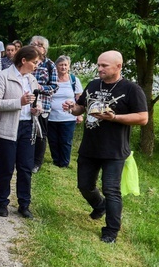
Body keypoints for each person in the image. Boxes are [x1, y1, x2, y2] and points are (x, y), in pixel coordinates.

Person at [63, 51, 148, 243]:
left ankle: (111, 230)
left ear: (118, 67)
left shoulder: (131, 89)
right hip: (90, 147)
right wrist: (71, 107)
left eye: (104, 66)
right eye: (98, 65)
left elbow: (143, 118)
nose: (99, 69)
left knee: (111, 190)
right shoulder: (94, 84)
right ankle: (99, 206)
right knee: (84, 186)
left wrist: (115, 118)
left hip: (115, 150)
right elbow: (80, 107)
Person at [0, 45, 42, 219]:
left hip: (27, 126)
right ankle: (2, 202)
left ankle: (24, 204)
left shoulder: (32, 79)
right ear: (24, 60)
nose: (37, 65)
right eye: (34, 62)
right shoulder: (4, 77)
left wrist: (37, 109)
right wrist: (19, 102)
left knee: (25, 167)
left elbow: (35, 102)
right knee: (6, 167)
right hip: (7, 129)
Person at [47, 55, 83, 168]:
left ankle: (64, 163)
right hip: (51, 116)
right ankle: (56, 160)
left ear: (69, 66)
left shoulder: (73, 80)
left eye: (65, 65)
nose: (63, 67)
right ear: (56, 66)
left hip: (68, 117)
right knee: (53, 140)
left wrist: (79, 114)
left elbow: (79, 98)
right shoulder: (51, 79)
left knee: (65, 141)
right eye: (61, 65)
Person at [30, 35, 58, 172]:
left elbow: (54, 86)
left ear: (45, 49)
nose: (36, 46)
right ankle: (26, 158)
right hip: (26, 102)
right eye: (33, 44)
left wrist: (41, 88)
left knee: (40, 133)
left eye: (40, 45)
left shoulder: (49, 64)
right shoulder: (26, 61)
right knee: (26, 131)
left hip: (43, 104)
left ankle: (36, 162)